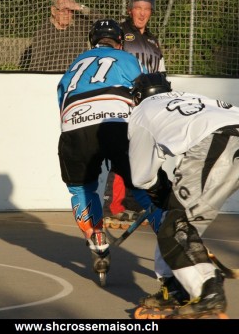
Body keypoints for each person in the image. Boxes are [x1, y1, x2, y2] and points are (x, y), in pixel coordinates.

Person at [128, 72, 239, 317]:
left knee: (173, 229)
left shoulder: (142, 112)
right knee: (181, 223)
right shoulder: (189, 97)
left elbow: (141, 177)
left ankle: (208, 290)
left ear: (137, 97)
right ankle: (176, 287)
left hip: (216, 145)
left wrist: (159, 191)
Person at [57, 19, 163, 284]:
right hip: (115, 123)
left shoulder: (75, 63)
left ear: (92, 42)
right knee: (143, 185)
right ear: (119, 42)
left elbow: (62, 99)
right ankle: (171, 235)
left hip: (74, 126)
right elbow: (145, 93)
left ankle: (97, 240)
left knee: (81, 189)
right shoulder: (125, 58)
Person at [103, 0, 166, 228]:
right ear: (130, 10)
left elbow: (161, 73)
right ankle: (113, 206)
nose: (142, 13)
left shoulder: (153, 41)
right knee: (123, 152)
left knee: (143, 155)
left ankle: (134, 203)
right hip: (125, 102)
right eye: (138, 8)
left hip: (149, 106)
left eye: (146, 9)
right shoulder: (120, 34)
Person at [20, 0, 103, 71]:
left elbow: (103, 22)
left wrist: (80, 7)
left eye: (70, 10)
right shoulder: (43, 32)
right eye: (63, 10)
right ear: (53, 11)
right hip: (55, 75)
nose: (66, 14)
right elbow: (37, 65)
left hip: (80, 75)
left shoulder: (78, 24)